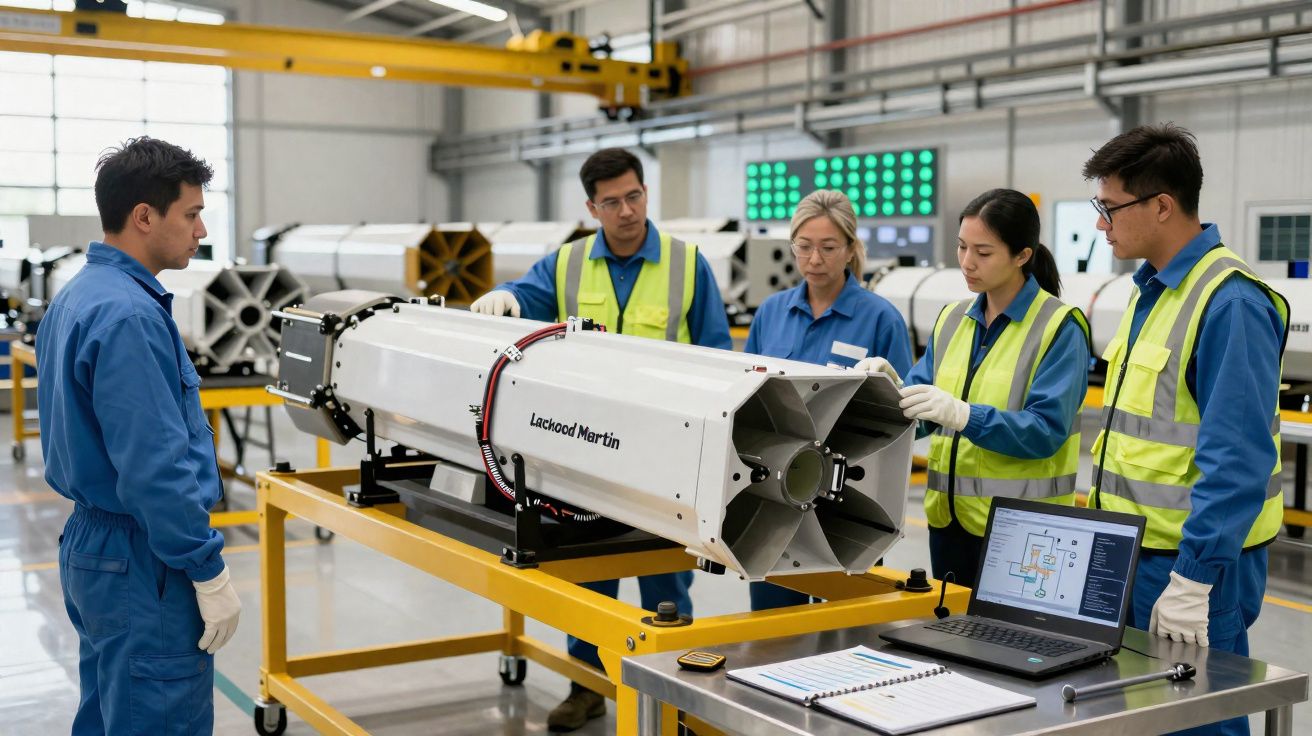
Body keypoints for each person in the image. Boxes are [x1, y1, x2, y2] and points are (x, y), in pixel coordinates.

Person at [469, 147, 732, 732]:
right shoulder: (567, 263)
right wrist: (507, 296)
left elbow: (718, 355)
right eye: (611, 202)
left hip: (669, 453)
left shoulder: (689, 265)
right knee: (590, 574)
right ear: (592, 206)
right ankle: (585, 687)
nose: (626, 211)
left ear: (645, 192)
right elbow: (529, 295)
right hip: (588, 448)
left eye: (634, 196)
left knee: (667, 577)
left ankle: (676, 697)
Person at [1084, 124, 1287, 736]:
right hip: (1133, 556)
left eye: (1110, 208)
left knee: (1199, 726)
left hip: (1192, 567)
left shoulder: (1230, 303)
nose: (1101, 225)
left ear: (1162, 206)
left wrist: (1194, 578)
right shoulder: (1151, 292)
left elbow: (1237, 460)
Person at [37, 137, 240, 735]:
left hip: (96, 548)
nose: (201, 229)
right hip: (142, 556)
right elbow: (154, 468)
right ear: (145, 216)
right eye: (192, 213)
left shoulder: (79, 295)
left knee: (108, 715)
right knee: (157, 718)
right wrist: (207, 570)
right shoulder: (127, 314)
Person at [882, 188, 1090, 588]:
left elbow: (1046, 432)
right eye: (961, 247)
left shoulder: (1058, 327)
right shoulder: (952, 319)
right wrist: (881, 387)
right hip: (949, 524)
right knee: (953, 640)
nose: (966, 263)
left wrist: (964, 416)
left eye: (983, 252)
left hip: (1024, 532)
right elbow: (920, 411)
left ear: (1022, 256)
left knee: (1011, 645)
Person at [743, 189, 913, 610]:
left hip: (849, 496)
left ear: (851, 249)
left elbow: (906, 416)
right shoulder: (772, 312)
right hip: (776, 492)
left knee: (847, 620)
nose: (814, 259)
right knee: (773, 621)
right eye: (804, 247)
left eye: (828, 247)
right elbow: (743, 398)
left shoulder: (879, 318)